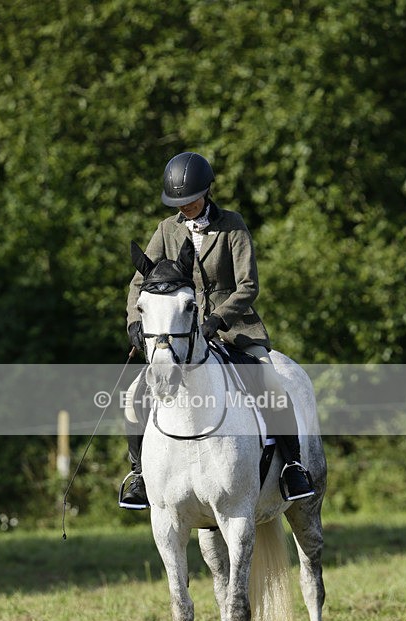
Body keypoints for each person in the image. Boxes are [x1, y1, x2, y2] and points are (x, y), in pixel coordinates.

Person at [120, 151, 314, 509]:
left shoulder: (232, 225)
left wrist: (216, 319)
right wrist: (135, 322)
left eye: (191, 199)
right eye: (178, 201)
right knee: (134, 395)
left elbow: (248, 285)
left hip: (234, 328)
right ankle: (139, 475)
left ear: (207, 191)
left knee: (272, 383)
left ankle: (291, 465)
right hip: (179, 334)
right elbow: (139, 283)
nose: (186, 206)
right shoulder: (166, 229)